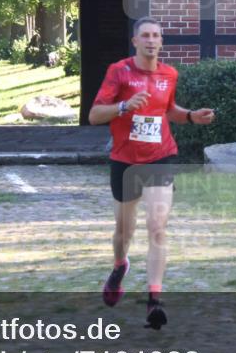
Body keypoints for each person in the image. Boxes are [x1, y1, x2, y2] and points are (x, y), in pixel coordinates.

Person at [88, 17, 215, 329]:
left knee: (158, 226)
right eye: (144, 35)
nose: (150, 40)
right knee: (124, 232)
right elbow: (94, 116)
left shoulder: (169, 74)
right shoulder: (118, 71)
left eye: (156, 36)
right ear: (135, 42)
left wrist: (189, 116)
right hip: (125, 160)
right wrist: (124, 106)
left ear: (161, 42)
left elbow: (167, 109)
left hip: (160, 156)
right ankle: (120, 265)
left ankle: (154, 300)